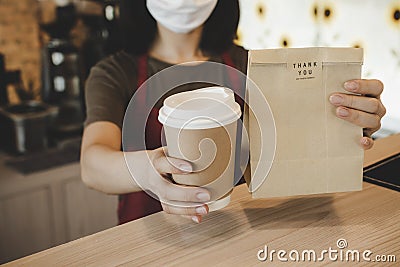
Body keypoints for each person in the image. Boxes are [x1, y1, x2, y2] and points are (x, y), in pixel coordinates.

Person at [80, 0, 386, 224]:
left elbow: (291, 139)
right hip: (147, 240)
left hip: (235, 230)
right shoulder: (113, 73)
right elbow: (92, 164)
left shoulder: (245, 65)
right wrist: (150, 170)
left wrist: (345, 122)